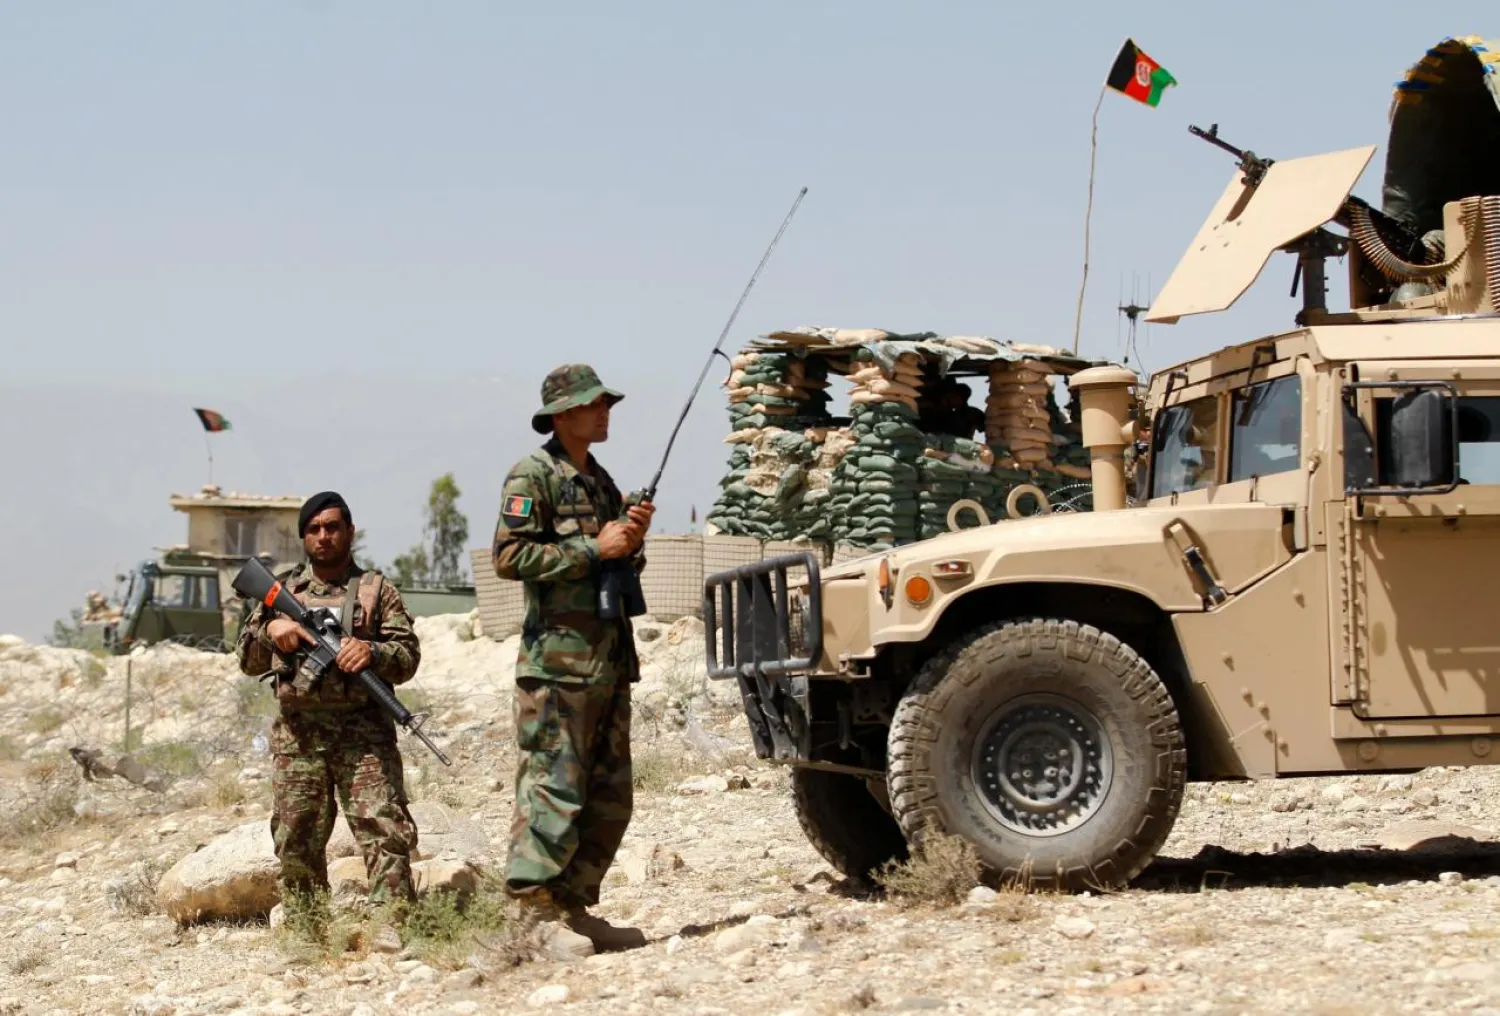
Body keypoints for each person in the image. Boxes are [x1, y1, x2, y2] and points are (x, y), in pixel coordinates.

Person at [493, 363, 655, 956]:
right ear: (561, 414)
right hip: (558, 666)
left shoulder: (601, 482)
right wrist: (594, 546)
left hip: (607, 660)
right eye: (591, 405)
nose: (603, 412)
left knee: (609, 793)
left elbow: (614, 566)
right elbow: (507, 557)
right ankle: (531, 915)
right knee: (553, 786)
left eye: (605, 403)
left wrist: (628, 542)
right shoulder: (533, 474)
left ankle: (571, 907)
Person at [235, 491, 422, 927]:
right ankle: (306, 928)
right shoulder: (281, 592)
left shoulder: (377, 591)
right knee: (296, 834)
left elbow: (408, 656)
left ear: (350, 533)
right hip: (299, 737)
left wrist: (371, 652)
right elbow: (246, 660)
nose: (324, 537)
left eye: (333, 527)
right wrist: (273, 630)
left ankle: (392, 924)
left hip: (365, 735)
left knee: (384, 828)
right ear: (304, 537)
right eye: (314, 529)